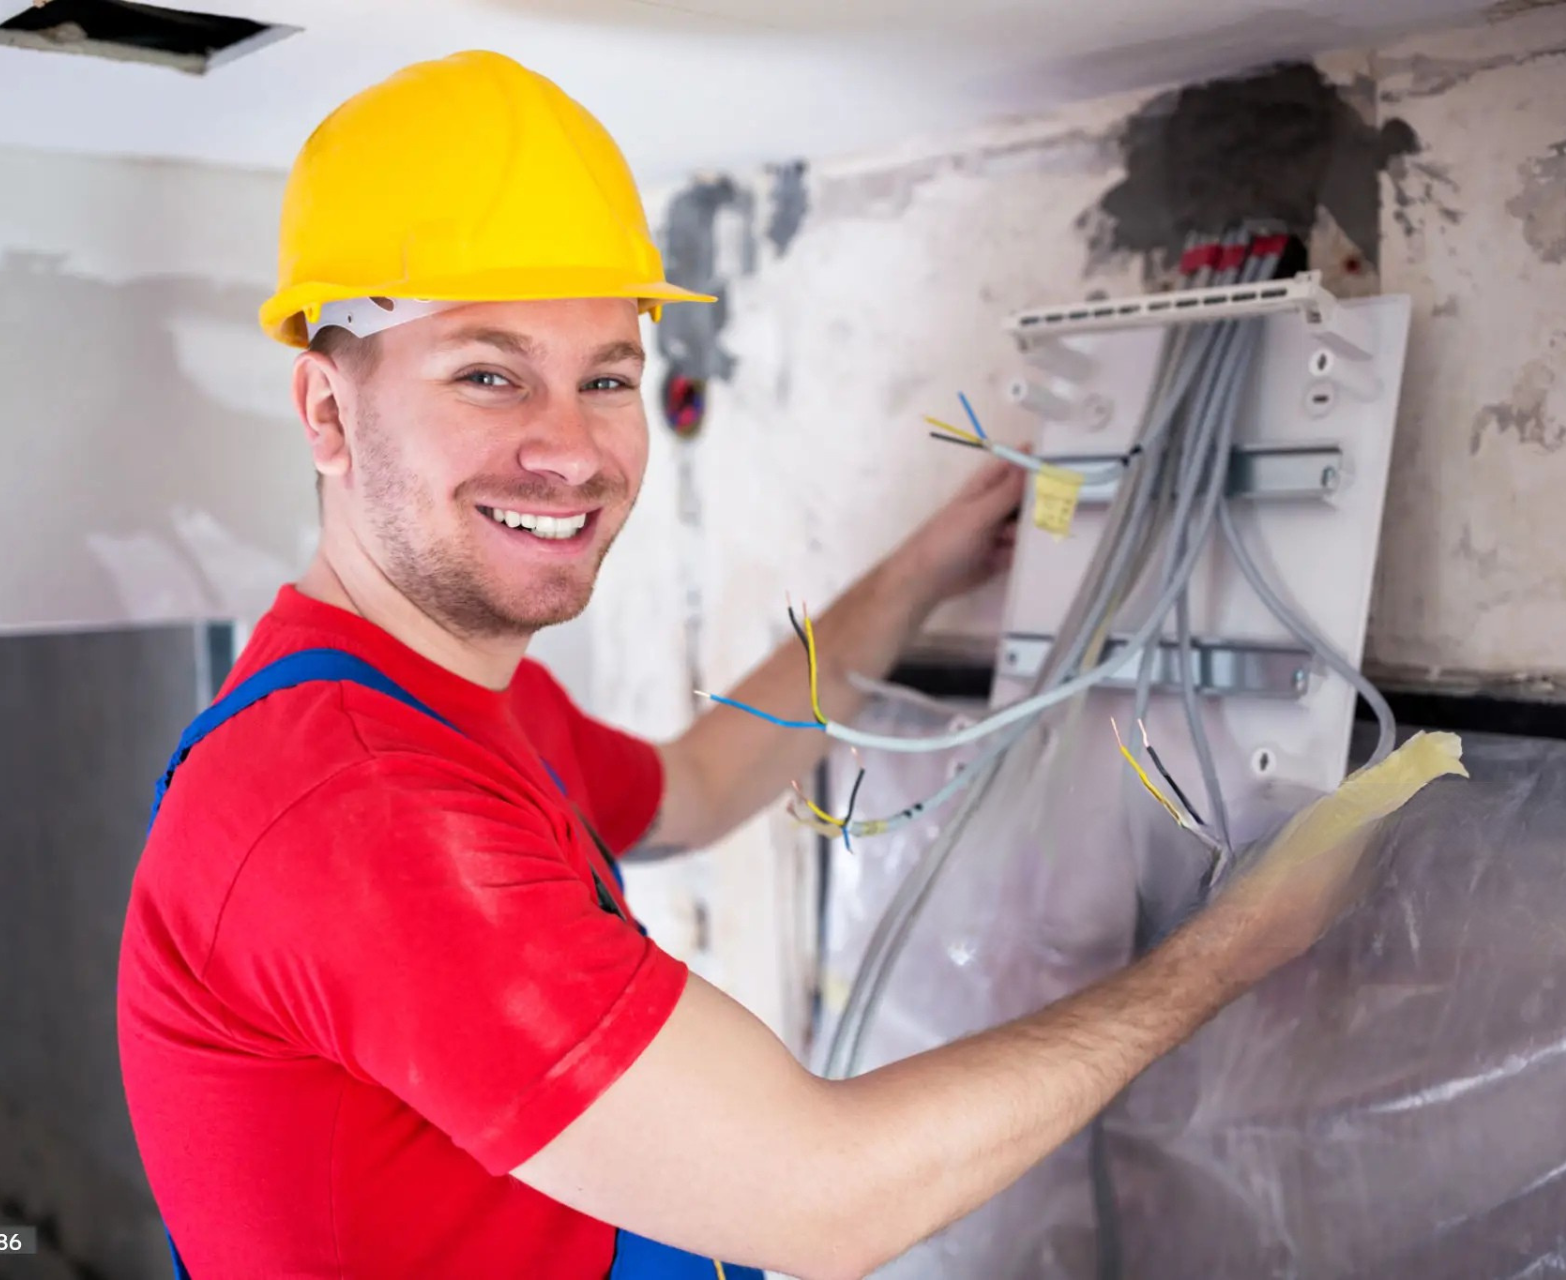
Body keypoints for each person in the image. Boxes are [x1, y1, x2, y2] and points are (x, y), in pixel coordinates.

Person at [117, 51, 1372, 1280]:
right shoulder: (358, 808)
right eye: (488, 374)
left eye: (606, 376)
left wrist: (919, 573)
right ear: (328, 414)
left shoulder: (435, 697)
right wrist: (1235, 945)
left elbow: (702, 782)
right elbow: (823, 1199)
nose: (570, 450)